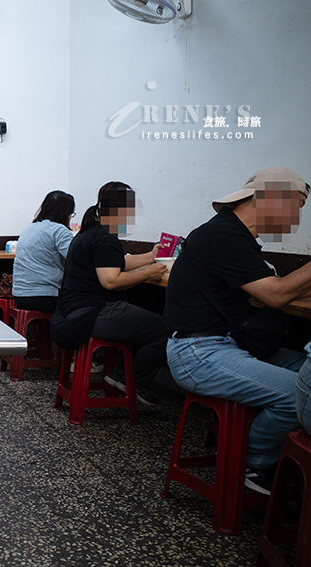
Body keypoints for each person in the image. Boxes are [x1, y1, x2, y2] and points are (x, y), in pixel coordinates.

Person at [165, 166, 311, 495]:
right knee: (297, 396)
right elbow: (276, 294)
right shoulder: (222, 236)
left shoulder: (233, 235)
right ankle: (253, 463)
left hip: (227, 344)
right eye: (296, 209)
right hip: (198, 352)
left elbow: (278, 288)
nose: (297, 221)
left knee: (308, 374)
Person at [52, 182, 167, 406]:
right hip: (91, 314)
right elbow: (111, 280)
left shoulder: (90, 232)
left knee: (141, 318)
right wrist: (147, 273)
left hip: (72, 312)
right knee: (163, 328)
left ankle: (120, 374)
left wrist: (151, 256)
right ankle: (133, 381)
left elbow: (116, 262)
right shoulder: (105, 237)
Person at [13, 190, 75, 313]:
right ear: (65, 212)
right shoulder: (59, 230)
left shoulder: (28, 228)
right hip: (45, 297)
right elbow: (77, 258)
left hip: (19, 296)